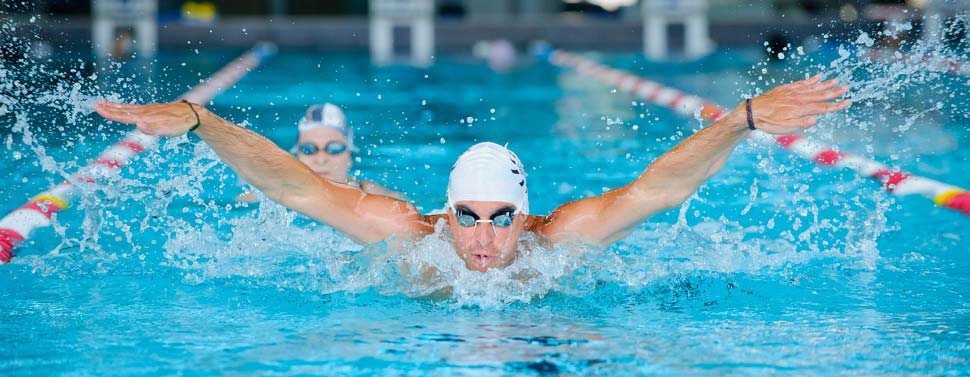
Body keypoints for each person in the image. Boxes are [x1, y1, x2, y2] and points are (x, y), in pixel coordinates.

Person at [93, 75, 850, 272]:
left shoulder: (560, 239)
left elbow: (660, 188)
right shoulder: (407, 236)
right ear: (445, 212)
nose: (483, 240)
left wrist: (743, 119)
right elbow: (293, 186)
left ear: (525, 214)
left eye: (499, 219)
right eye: (467, 218)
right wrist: (202, 121)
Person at [238, 103, 399, 202]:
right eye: (308, 149)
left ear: (349, 156)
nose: (321, 159)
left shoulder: (370, 193)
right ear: (297, 156)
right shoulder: (270, 194)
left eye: (334, 148)